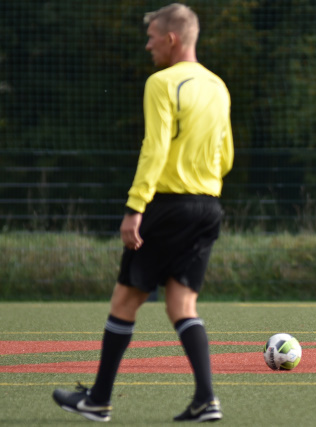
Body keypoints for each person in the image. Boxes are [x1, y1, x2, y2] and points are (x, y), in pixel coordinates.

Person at [53, 3, 233, 422]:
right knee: (181, 305)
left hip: (167, 205)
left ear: (172, 38)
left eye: (152, 38)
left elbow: (155, 148)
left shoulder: (161, 82)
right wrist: (201, 180)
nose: (148, 45)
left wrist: (135, 207)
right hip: (208, 206)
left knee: (124, 300)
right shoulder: (218, 86)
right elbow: (226, 156)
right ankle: (206, 400)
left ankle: (98, 400)